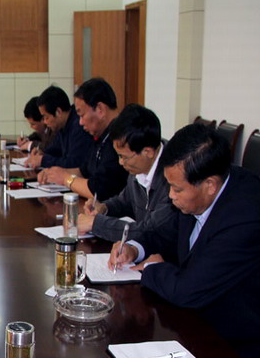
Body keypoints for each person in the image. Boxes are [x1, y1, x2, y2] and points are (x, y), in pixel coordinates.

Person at [109, 124, 260, 358]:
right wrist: (134, 249)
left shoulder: (245, 216)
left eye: (177, 189)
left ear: (210, 185)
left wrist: (151, 269)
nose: (170, 195)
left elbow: (188, 290)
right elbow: (165, 235)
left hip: (237, 350)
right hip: (194, 325)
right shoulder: (198, 195)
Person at [78, 104, 175, 242]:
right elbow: (125, 201)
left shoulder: (173, 177)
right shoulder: (138, 167)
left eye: (124, 157)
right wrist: (104, 208)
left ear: (147, 152)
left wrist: (96, 224)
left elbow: (151, 230)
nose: (121, 162)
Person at [37, 77, 128, 201]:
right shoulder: (101, 135)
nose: (80, 122)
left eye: (82, 115)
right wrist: (55, 173)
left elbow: (98, 190)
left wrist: (65, 178)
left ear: (100, 109)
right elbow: (84, 170)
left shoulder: (120, 138)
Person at [25, 85, 93, 170]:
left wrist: (43, 160)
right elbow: (55, 150)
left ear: (58, 112)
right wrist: (42, 153)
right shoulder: (62, 126)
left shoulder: (79, 126)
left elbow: (73, 164)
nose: (45, 122)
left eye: (46, 117)